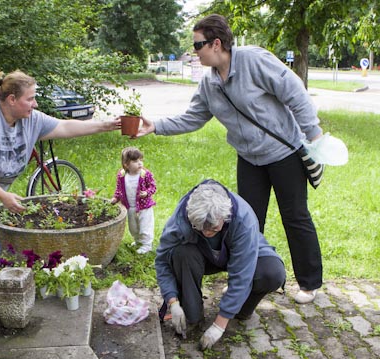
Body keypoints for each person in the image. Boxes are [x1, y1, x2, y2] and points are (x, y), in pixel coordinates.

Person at [135, 14, 323, 304]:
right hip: (249, 159)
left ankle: (309, 283)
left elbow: (294, 93)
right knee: (247, 220)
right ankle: (244, 279)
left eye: (198, 45)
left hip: (283, 153)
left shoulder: (253, 60)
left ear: (216, 43)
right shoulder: (210, 83)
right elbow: (193, 117)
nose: (194, 51)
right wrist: (156, 126)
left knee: (295, 216)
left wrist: (314, 134)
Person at [0, 69, 120, 277]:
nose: (35, 104)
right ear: (12, 99)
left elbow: (64, 127)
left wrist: (106, 125)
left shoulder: (31, 120)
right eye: (30, 99)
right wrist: (3, 196)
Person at [156, 180, 286, 349]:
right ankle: (193, 315)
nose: (207, 233)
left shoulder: (243, 219)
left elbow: (242, 274)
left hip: (240, 252)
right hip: (201, 255)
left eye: (213, 229)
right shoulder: (181, 219)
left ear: (225, 217)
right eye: (201, 228)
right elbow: (162, 260)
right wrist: (172, 301)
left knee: (272, 273)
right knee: (181, 254)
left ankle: (240, 309)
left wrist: (219, 325)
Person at [111, 147, 156, 254]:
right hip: (130, 207)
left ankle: (147, 245)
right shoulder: (122, 175)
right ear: (126, 164)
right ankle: (138, 240)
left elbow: (153, 186)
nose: (140, 163)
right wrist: (116, 198)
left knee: (145, 226)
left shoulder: (145, 174)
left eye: (141, 160)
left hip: (144, 207)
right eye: (135, 161)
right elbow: (119, 189)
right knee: (133, 227)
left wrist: (146, 193)